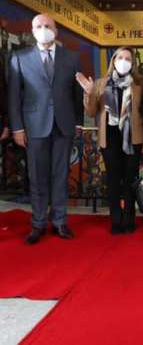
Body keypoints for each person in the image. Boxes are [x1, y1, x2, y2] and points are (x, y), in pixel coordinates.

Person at [8, 13, 83, 244]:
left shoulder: (71, 57)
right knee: (37, 177)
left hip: (63, 125)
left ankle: (60, 222)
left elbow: (76, 94)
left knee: (60, 176)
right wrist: (17, 128)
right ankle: (38, 223)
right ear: (33, 31)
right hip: (34, 126)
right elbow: (14, 97)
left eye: (48, 25)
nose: (43, 29)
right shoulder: (19, 57)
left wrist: (78, 122)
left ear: (56, 30)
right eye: (39, 26)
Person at [76, 47, 143, 234]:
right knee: (113, 180)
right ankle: (116, 220)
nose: (124, 61)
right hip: (109, 138)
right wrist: (89, 93)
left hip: (133, 138)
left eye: (128, 59)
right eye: (120, 57)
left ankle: (129, 219)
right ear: (114, 61)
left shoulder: (139, 84)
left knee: (130, 180)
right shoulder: (101, 84)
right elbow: (91, 112)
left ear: (132, 63)